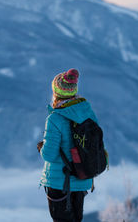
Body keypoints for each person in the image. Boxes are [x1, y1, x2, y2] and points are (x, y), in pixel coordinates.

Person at [37, 68, 98, 222]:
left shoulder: (55, 119)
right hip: (82, 178)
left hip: (60, 183)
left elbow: (49, 154)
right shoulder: (87, 113)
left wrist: (41, 147)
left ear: (56, 92)